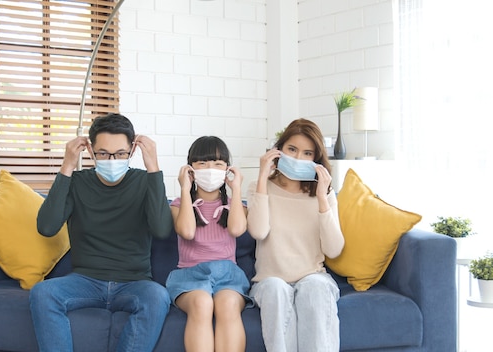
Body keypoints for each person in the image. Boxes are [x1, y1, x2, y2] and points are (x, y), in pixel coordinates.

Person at [29, 113, 173, 352]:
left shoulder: (145, 181)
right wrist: (66, 165)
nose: (112, 160)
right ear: (91, 151)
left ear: (132, 151)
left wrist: (153, 168)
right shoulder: (77, 182)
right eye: (103, 153)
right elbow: (46, 227)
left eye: (120, 153)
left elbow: (161, 229)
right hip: (85, 281)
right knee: (42, 293)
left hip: (135, 282)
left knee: (158, 297)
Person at [247, 118, 345, 352]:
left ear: (316, 159)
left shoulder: (325, 194)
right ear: (279, 150)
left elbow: (334, 249)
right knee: (275, 289)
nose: (299, 158)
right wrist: (262, 178)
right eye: (292, 149)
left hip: (313, 276)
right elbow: (259, 231)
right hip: (270, 280)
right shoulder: (258, 187)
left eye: (307, 153)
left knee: (315, 288)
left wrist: (322, 198)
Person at [165, 136, 251, 352]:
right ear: (190, 169)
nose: (210, 169)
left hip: (228, 275)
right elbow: (186, 231)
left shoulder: (236, 205)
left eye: (217, 164)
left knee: (227, 304)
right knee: (202, 303)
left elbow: (237, 230)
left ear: (227, 170)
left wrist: (237, 189)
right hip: (190, 275)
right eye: (202, 163)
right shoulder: (178, 205)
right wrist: (185, 189)